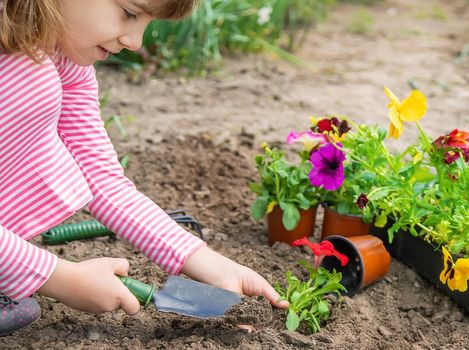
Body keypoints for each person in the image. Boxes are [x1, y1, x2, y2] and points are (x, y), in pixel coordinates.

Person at [0, 0, 287, 336]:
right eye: (130, 13)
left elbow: (100, 177)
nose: (135, 42)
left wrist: (204, 261)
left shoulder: (61, 52)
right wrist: (58, 277)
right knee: (30, 83)